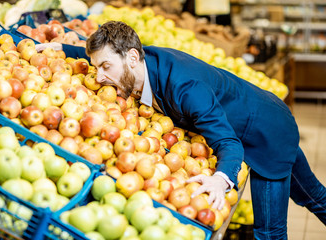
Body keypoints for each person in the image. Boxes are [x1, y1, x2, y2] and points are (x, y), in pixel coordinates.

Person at [85, 21, 326, 239]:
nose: (100, 77)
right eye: (98, 67)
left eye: (106, 66)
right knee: (313, 195)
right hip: (262, 113)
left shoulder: (186, 88)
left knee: (269, 232)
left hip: (267, 133)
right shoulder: (143, 61)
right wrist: (60, 49)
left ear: (132, 57)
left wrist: (221, 180)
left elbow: (230, 143)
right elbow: (100, 58)